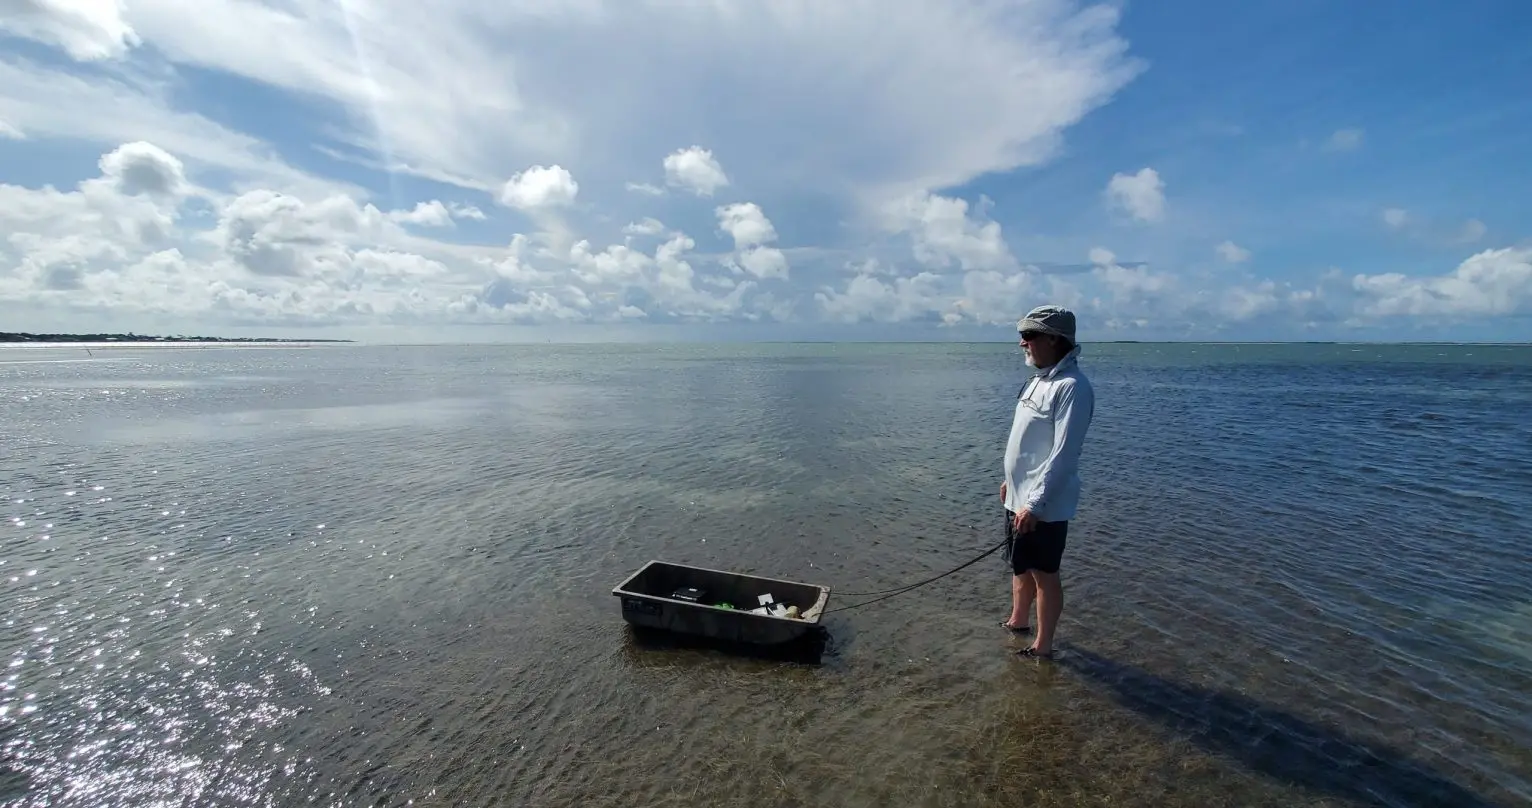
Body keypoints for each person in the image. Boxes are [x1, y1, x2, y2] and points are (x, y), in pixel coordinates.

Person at [998, 304, 1095, 659]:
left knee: (1044, 574)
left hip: (1044, 506)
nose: (1023, 344)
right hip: (1018, 499)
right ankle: (1017, 622)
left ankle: (1043, 646)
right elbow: (1025, 440)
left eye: (1029, 336)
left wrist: (1035, 504)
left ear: (1054, 339)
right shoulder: (1037, 380)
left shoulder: (1072, 387)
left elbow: (1064, 454)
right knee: (1019, 565)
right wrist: (1010, 482)